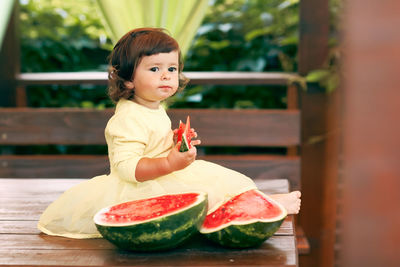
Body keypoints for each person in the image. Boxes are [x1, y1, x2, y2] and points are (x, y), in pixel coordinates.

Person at [38, 28, 301, 239]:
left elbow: (151, 143)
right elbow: (128, 168)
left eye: (171, 69)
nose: (166, 75)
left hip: (166, 176)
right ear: (128, 79)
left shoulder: (152, 107)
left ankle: (258, 205)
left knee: (219, 183)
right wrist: (169, 162)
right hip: (139, 190)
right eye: (155, 69)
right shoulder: (127, 118)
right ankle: (260, 206)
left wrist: (173, 141)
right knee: (206, 193)